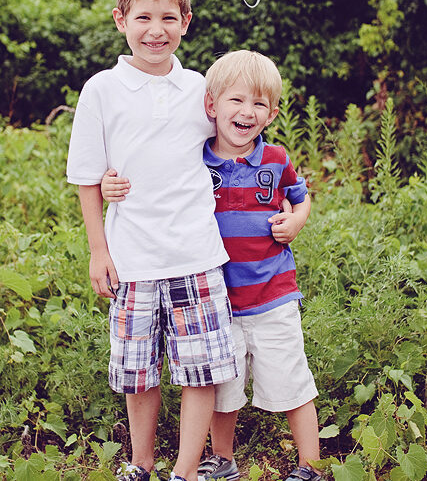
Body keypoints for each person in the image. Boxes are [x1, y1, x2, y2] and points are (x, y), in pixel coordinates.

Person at [102, 50, 321, 481]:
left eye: (259, 104)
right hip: (219, 298)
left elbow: (301, 196)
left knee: (292, 379)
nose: (247, 112)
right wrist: (112, 181)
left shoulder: (275, 159)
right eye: (236, 101)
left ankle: (310, 464)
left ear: (272, 112)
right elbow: (152, 174)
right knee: (223, 387)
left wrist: (295, 221)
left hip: (274, 295)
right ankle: (223, 459)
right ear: (211, 108)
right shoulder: (197, 159)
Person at [66, 0, 238, 481]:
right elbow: (87, 177)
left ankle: (185, 470)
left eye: (168, 18)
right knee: (139, 374)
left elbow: (237, 135)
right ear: (121, 20)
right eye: (143, 18)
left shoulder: (201, 90)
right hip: (132, 258)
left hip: (196, 255)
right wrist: (99, 250)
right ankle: (141, 463)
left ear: (186, 21)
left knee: (200, 371)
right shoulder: (101, 90)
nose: (155, 30)